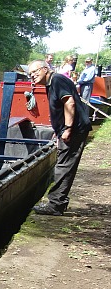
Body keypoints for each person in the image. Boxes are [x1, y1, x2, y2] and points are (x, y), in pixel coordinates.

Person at [27, 59, 92, 216]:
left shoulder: (57, 80)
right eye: (30, 74)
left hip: (75, 129)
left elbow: (69, 103)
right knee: (64, 165)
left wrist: (68, 128)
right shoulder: (52, 82)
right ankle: (58, 202)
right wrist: (59, 129)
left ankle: (56, 205)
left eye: (35, 72)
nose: (32, 76)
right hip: (69, 129)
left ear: (45, 69)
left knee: (64, 166)